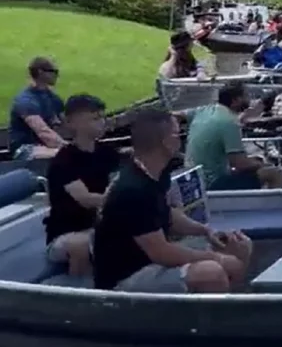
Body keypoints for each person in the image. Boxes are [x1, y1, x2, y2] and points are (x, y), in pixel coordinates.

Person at [92, 109, 252, 293]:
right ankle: (211, 319)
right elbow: (162, 253)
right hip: (126, 277)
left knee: (240, 244)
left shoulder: (155, 174)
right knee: (210, 272)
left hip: (151, 263)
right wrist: (217, 258)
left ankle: (233, 304)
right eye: (178, 133)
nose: (181, 138)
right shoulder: (133, 190)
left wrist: (206, 231)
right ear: (167, 142)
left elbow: (167, 213)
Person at [45, 94, 122, 276]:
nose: (102, 122)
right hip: (66, 234)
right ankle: (82, 290)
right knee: (80, 244)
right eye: (95, 119)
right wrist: (122, 198)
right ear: (73, 123)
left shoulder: (107, 153)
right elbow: (86, 199)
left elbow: (117, 182)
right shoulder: (64, 161)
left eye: (102, 117)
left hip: (101, 224)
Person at [185, 82, 282, 190]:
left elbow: (178, 114)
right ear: (235, 101)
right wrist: (262, 164)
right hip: (212, 183)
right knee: (274, 173)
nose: (250, 99)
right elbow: (239, 164)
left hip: (194, 179)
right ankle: (273, 206)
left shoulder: (204, 110)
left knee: (255, 162)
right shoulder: (229, 122)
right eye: (246, 96)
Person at [9, 56, 65, 160]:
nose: (57, 75)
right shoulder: (26, 100)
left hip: (46, 147)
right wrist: (69, 148)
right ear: (40, 72)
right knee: (66, 155)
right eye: (54, 71)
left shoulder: (53, 98)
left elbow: (68, 123)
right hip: (25, 149)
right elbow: (43, 133)